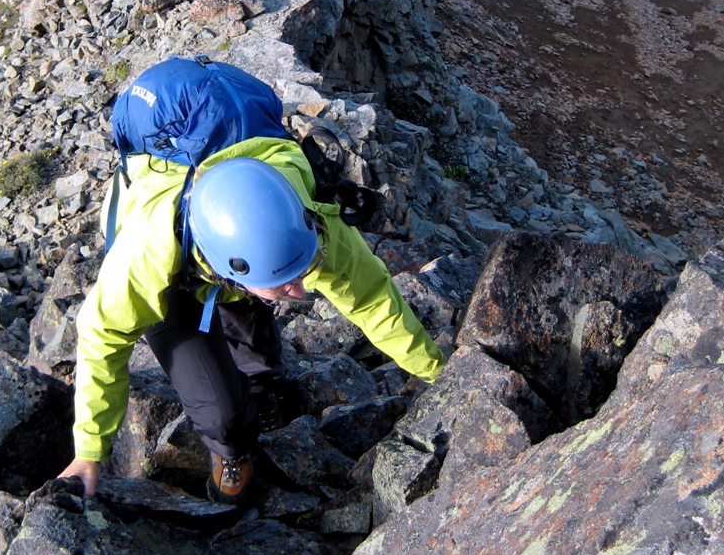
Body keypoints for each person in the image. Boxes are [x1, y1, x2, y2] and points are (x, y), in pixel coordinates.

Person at [58, 135, 447, 504]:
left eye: (301, 272)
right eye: (284, 283)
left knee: (258, 345)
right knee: (220, 407)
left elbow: (373, 301)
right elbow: (100, 336)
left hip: (234, 255)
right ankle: (231, 451)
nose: (300, 293)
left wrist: (441, 374)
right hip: (173, 262)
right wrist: (90, 451)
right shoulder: (145, 260)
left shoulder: (302, 214)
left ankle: (263, 388)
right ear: (229, 272)